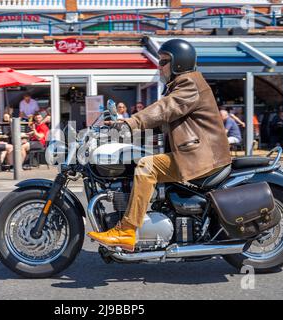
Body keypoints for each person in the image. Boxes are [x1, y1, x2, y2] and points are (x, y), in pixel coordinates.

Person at [87, 39, 232, 251]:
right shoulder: (180, 85)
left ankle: (126, 230)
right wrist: (124, 131)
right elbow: (164, 122)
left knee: (147, 167)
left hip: (201, 156)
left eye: (164, 61)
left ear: (178, 64)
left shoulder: (189, 83)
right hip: (193, 152)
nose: (159, 66)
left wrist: (131, 122)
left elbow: (165, 109)